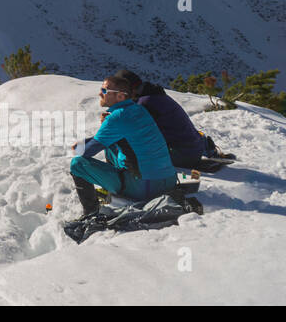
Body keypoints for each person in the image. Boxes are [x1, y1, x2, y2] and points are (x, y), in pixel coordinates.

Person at [69, 72, 179, 218]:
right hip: (168, 181)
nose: (100, 94)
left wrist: (79, 147)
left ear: (120, 96)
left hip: (145, 188)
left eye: (104, 91)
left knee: (77, 164)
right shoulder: (139, 109)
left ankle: (90, 213)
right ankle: (116, 183)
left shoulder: (117, 117)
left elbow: (84, 153)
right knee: (110, 144)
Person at [121, 69, 207, 169]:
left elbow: (135, 135)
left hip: (181, 156)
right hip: (193, 150)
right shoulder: (155, 96)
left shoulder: (145, 103)